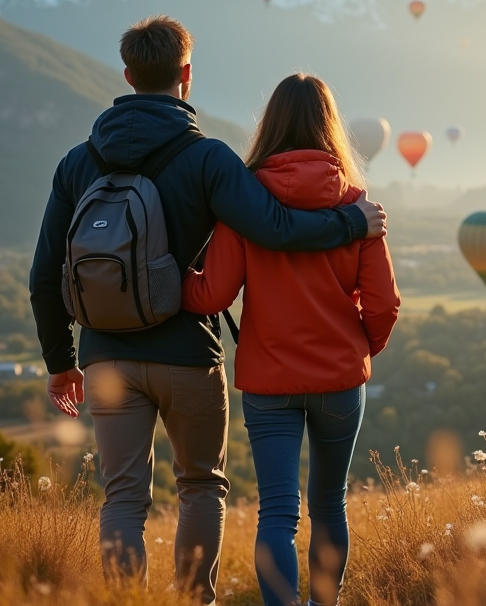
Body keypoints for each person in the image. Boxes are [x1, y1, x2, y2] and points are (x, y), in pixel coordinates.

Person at [28, 16, 386, 606]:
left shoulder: (77, 162)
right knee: (200, 486)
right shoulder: (207, 159)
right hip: (187, 355)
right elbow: (273, 227)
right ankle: (195, 601)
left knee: (122, 497)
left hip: (105, 357)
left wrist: (61, 361)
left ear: (126, 74)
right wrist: (350, 221)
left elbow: (45, 274)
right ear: (186, 76)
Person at [182, 73, 400, 606]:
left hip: (269, 380)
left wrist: (167, 274)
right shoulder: (357, 204)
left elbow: (211, 296)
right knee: (330, 504)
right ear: (331, 126)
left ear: (269, 124)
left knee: (277, 511)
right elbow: (384, 304)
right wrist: (359, 348)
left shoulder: (244, 201)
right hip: (341, 379)